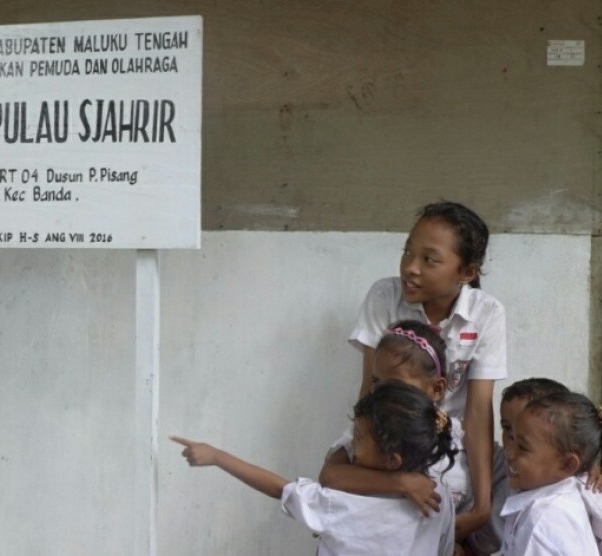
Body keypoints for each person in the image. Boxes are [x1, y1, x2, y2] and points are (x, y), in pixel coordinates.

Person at [349, 200, 506, 537]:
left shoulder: (487, 313)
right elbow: (370, 391)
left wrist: (482, 504)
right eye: (408, 252)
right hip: (388, 436)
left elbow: (479, 411)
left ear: (466, 272)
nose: (411, 268)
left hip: (450, 448)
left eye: (429, 260)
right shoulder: (384, 296)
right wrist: (354, 487)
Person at [172, 381, 458, 556]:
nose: (350, 446)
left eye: (357, 439)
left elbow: (279, 488)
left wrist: (217, 456)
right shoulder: (440, 499)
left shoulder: (341, 504)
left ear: (392, 460)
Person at [465, 378, 602, 556]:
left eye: (523, 446)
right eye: (509, 430)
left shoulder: (543, 520)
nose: (509, 452)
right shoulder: (537, 496)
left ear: (568, 464)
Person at [320, 320, 472, 517]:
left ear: (436, 389)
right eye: (376, 381)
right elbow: (330, 476)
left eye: (395, 384)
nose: (381, 392)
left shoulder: (460, 443)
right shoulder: (367, 430)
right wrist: (401, 483)